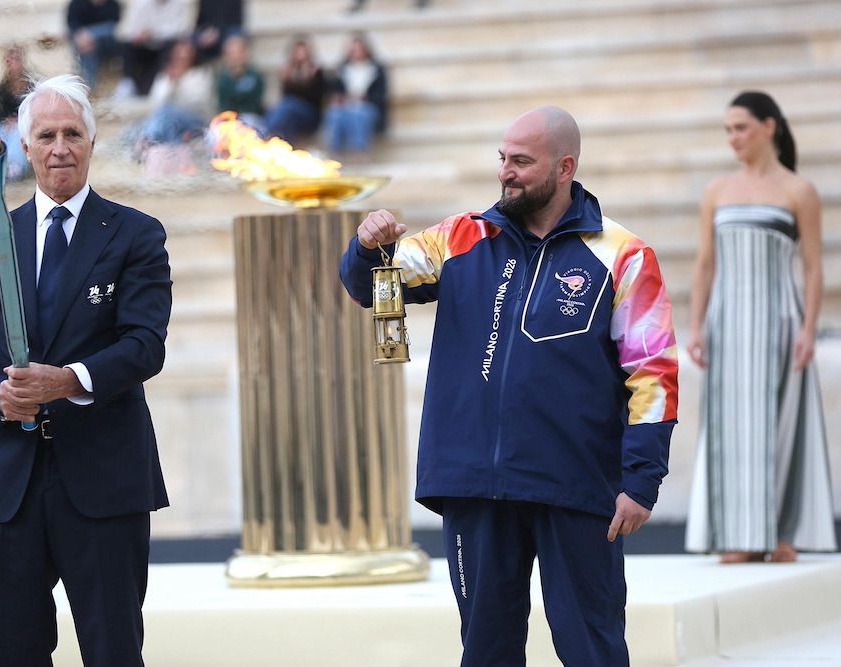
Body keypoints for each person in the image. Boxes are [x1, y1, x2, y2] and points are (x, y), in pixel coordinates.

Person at [340, 106, 679, 666]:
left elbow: (654, 372)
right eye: (503, 158)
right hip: (475, 484)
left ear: (565, 167)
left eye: (522, 161)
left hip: (576, 485)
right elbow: (372, 286)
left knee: (593, 649)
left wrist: (642, 479)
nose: (507, 172)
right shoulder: (460, 236)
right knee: (486, 653)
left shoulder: (624, 254)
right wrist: (366, 244)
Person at [0, 74, 171, 666]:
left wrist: (69, 380)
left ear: (92, 144)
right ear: (25, 147)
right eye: (45, 135)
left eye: (72, 133)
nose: (59, 148)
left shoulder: (136, 235)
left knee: (113, 652)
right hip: (9, 486)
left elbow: (145, 345)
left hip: (103, 479)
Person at [684, 91, 836, 563]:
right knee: (730, 424)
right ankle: (738, 535)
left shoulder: (799, 191)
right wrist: (696, 326)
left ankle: (781, 533)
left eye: (741, 128)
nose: (733, 138)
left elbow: (813, 267)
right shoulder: (717, 191)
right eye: (728, 130)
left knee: (784, 421)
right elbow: (705, 264)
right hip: (728, 322)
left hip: (782, 320)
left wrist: (809, 329)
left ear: (770, 127)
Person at [322, 33, 388, 156]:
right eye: (354, 50)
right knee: (334, 113)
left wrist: (364, 98)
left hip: (368, 108)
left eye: (359, 49)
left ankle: (360, 152)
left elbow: (381, 96)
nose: (357, 53)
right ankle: (334, 152)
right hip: (346, 107)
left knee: (359, 113)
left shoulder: (377, 70)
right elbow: (334, 91)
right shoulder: (342, 70)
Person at [114, 0, 192, 98]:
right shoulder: (141, 3)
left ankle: (161, 83)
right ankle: (128, 83)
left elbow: (182, 30)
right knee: (127, 45)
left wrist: (154, 33)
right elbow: (126, 30)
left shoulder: (179, 4)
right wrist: (138, 35)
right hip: (144, 46)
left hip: (165, 46)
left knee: (170, 45)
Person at [264, 35, 326, 144]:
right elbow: (285, 95)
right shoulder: (288, 71)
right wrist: (288, 80)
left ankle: (268, 134)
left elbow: (316, 99)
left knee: (288, 106)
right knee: (283, 114)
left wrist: (306, 80)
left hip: (310, 115)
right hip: (292, 113)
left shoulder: (316, 71)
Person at [0, 45, 36, 182]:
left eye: (16, 60)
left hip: (24, 124)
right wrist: (6, 120)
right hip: (6, 125)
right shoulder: (2, 88)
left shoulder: (31, 86)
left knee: (18, 133)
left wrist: (18, 120)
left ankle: (15, 167)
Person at [66, 0, 122, 92]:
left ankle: (87, 86)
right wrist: (85, 39)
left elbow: (112, 28)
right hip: (85, 45)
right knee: (88, 48)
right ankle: (89, 86)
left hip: (108, 45)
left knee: (88, 43)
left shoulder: (113, 4)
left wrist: (90, 35)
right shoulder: (76, 4)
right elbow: (72, 28)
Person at [215, 33, 265, 130]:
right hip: (229, 120)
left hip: (250, 118)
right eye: (231, 53)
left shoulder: (254, 76)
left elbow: (253, 103)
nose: (235, 56)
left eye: (238, 52)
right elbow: (224, 103)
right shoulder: (222, 79)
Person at [192, 0, 243, 65]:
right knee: (188, 41)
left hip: (228, 31)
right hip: (208, 31)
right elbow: (200, 22)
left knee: (234, 41)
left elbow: (236, 21)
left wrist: (217, 32)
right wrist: (204, 33)